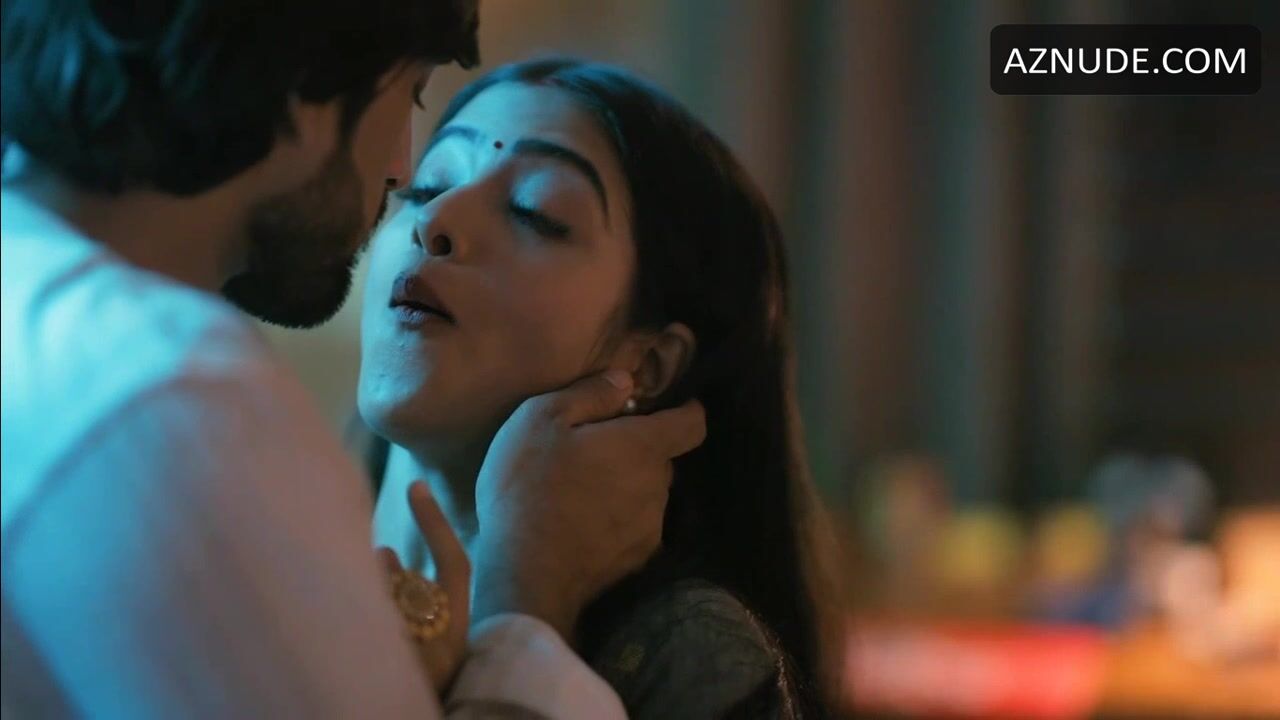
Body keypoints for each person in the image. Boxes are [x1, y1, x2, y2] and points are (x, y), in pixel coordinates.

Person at [1, 3, 705, 717]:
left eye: (535, 211)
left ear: (651, 362)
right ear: (308, 74)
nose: (411, 192)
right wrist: (526, 609)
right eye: (412, 100)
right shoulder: (169, 394)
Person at [359, 58, 845, 718]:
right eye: (427, 186)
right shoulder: (256, 531)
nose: (436, 219)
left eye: (536, 213)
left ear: (648, 364)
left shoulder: (683, 656)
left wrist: (520, 611)